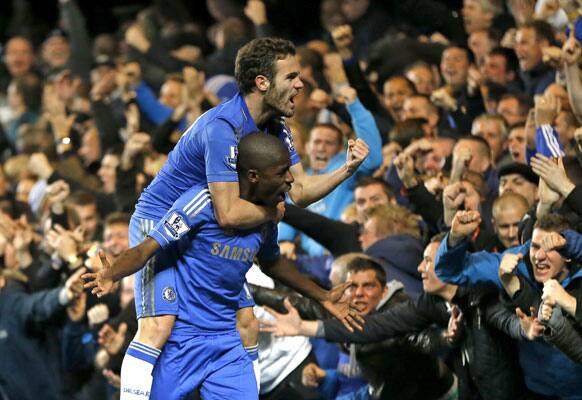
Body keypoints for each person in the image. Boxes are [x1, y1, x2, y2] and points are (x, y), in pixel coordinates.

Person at [85, 36, 369, 398]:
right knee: (159, 326)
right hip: (163, 219)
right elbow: (229, 212)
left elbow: (298, 192)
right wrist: (272, 212)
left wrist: (346, 169)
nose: (301, 83)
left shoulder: (274, 128)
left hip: (212, 225)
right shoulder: (222, 128)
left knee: (246, 322)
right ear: (262, 82)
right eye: (291, 76)